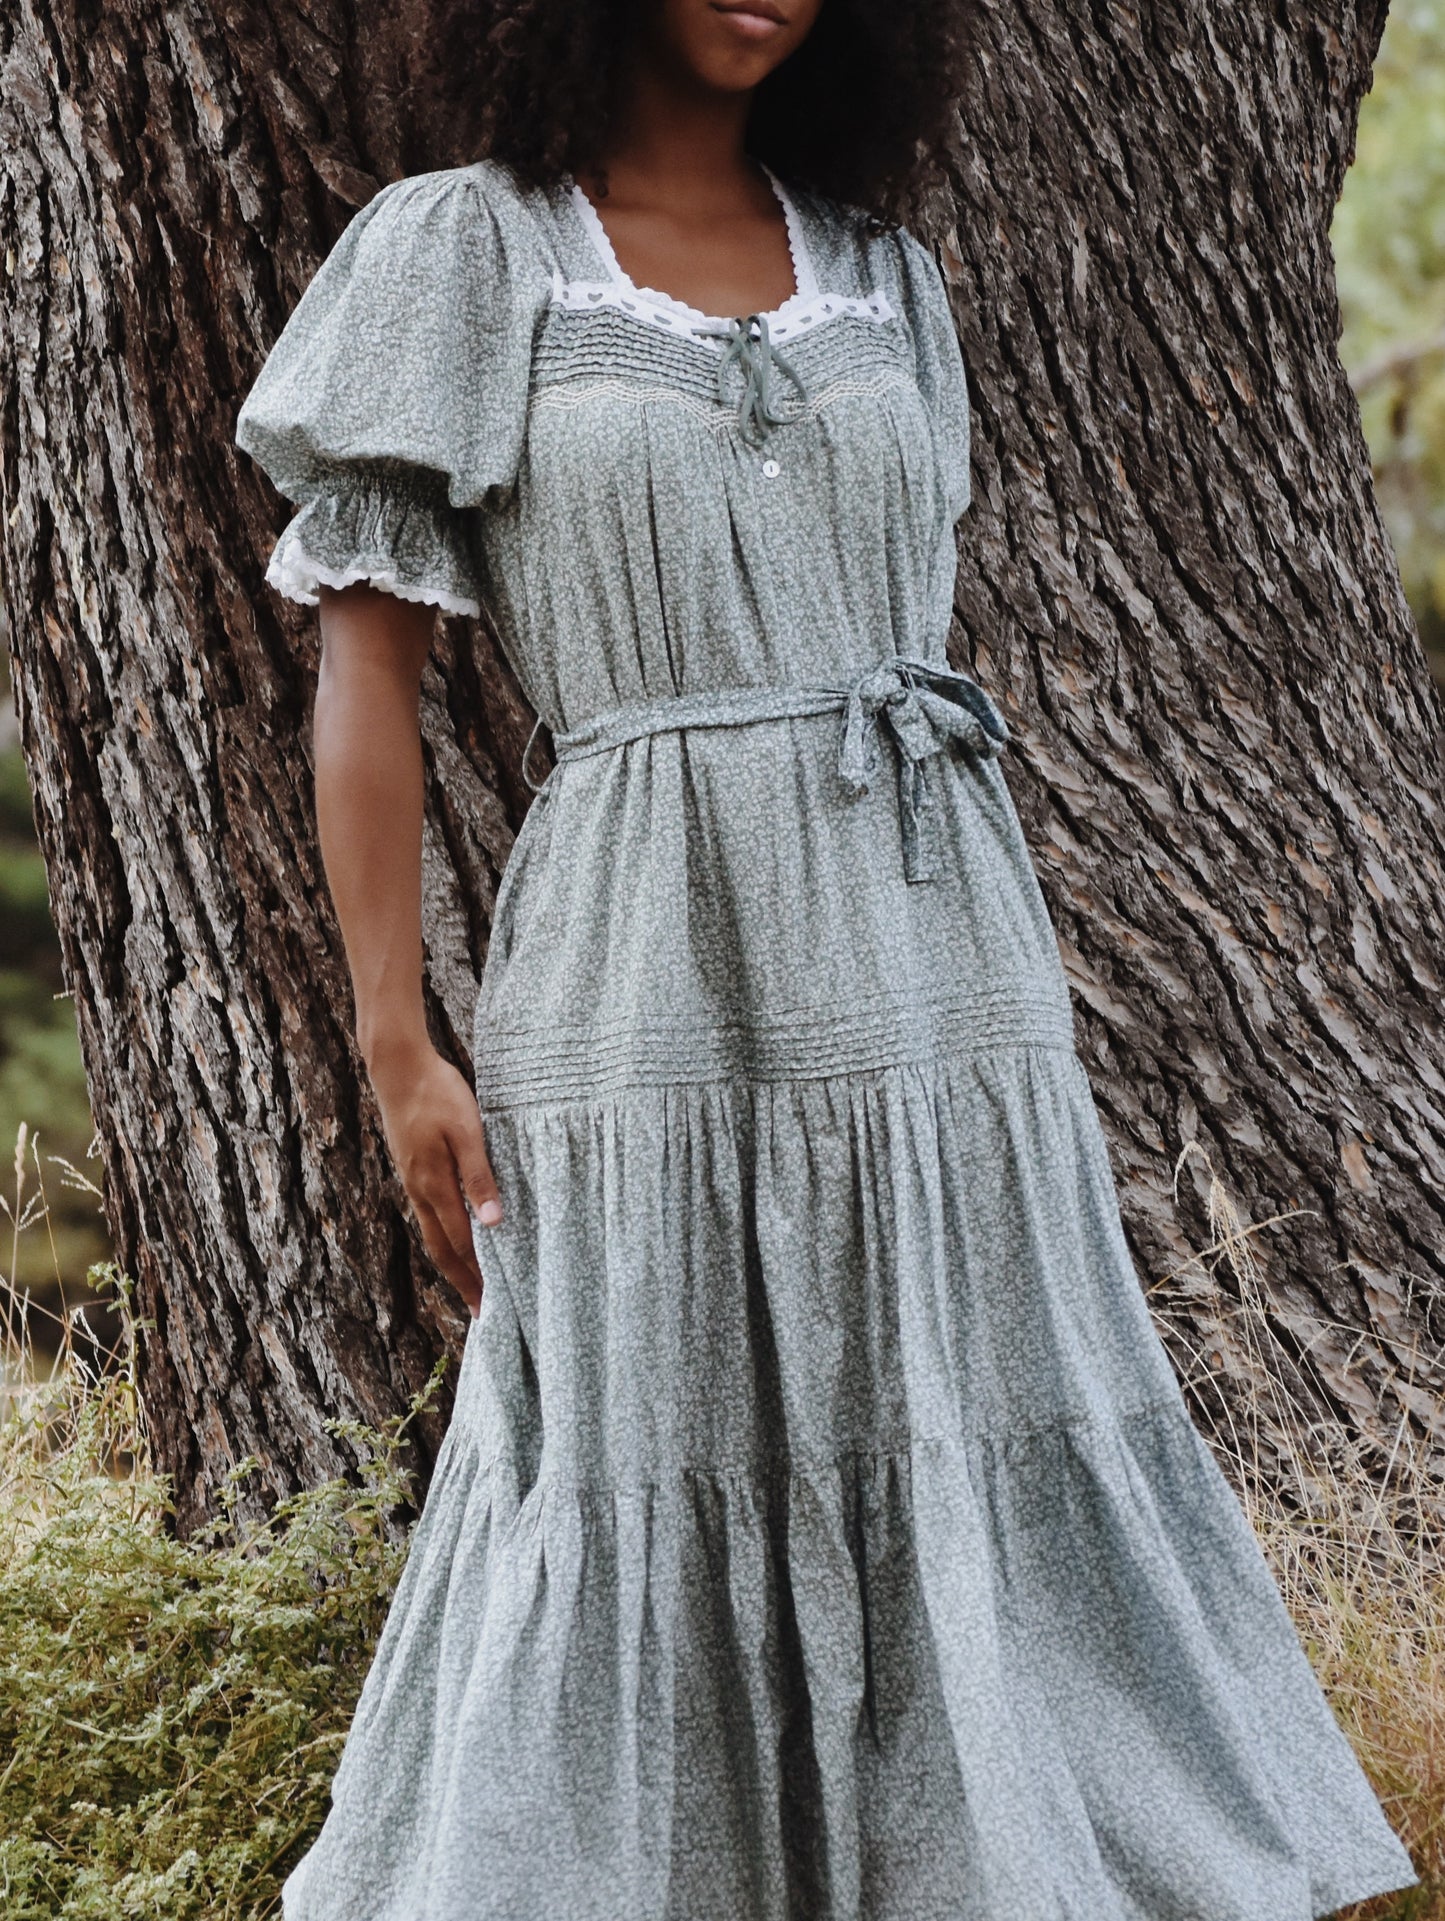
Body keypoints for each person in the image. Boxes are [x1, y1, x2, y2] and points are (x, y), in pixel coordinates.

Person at [234, 1, 1420, 1915]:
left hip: (934, 942)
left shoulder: (881, 277)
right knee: (627, 1429)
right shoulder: (465, 248)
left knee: (951, 1401)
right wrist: (399, 1044)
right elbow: (365, 674)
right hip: (640, 953)